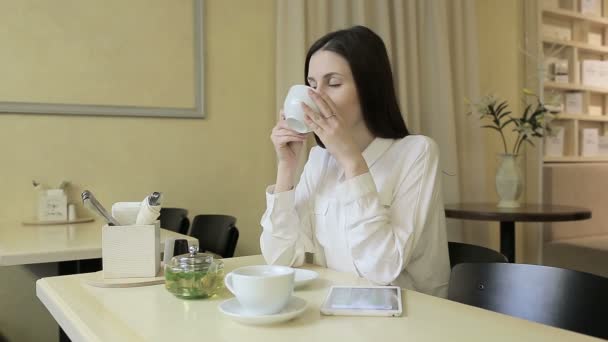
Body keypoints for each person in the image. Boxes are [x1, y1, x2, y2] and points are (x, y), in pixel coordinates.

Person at [260, 25, 450, 297]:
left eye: (333, 83)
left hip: (412, 316)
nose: (317, 97)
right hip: (340, 310)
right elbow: (281, 259)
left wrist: (352, 161)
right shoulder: (320, 160)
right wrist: (285, 168)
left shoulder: (417, 152)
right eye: (312, 85)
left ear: (369, 88)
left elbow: (382, 271)